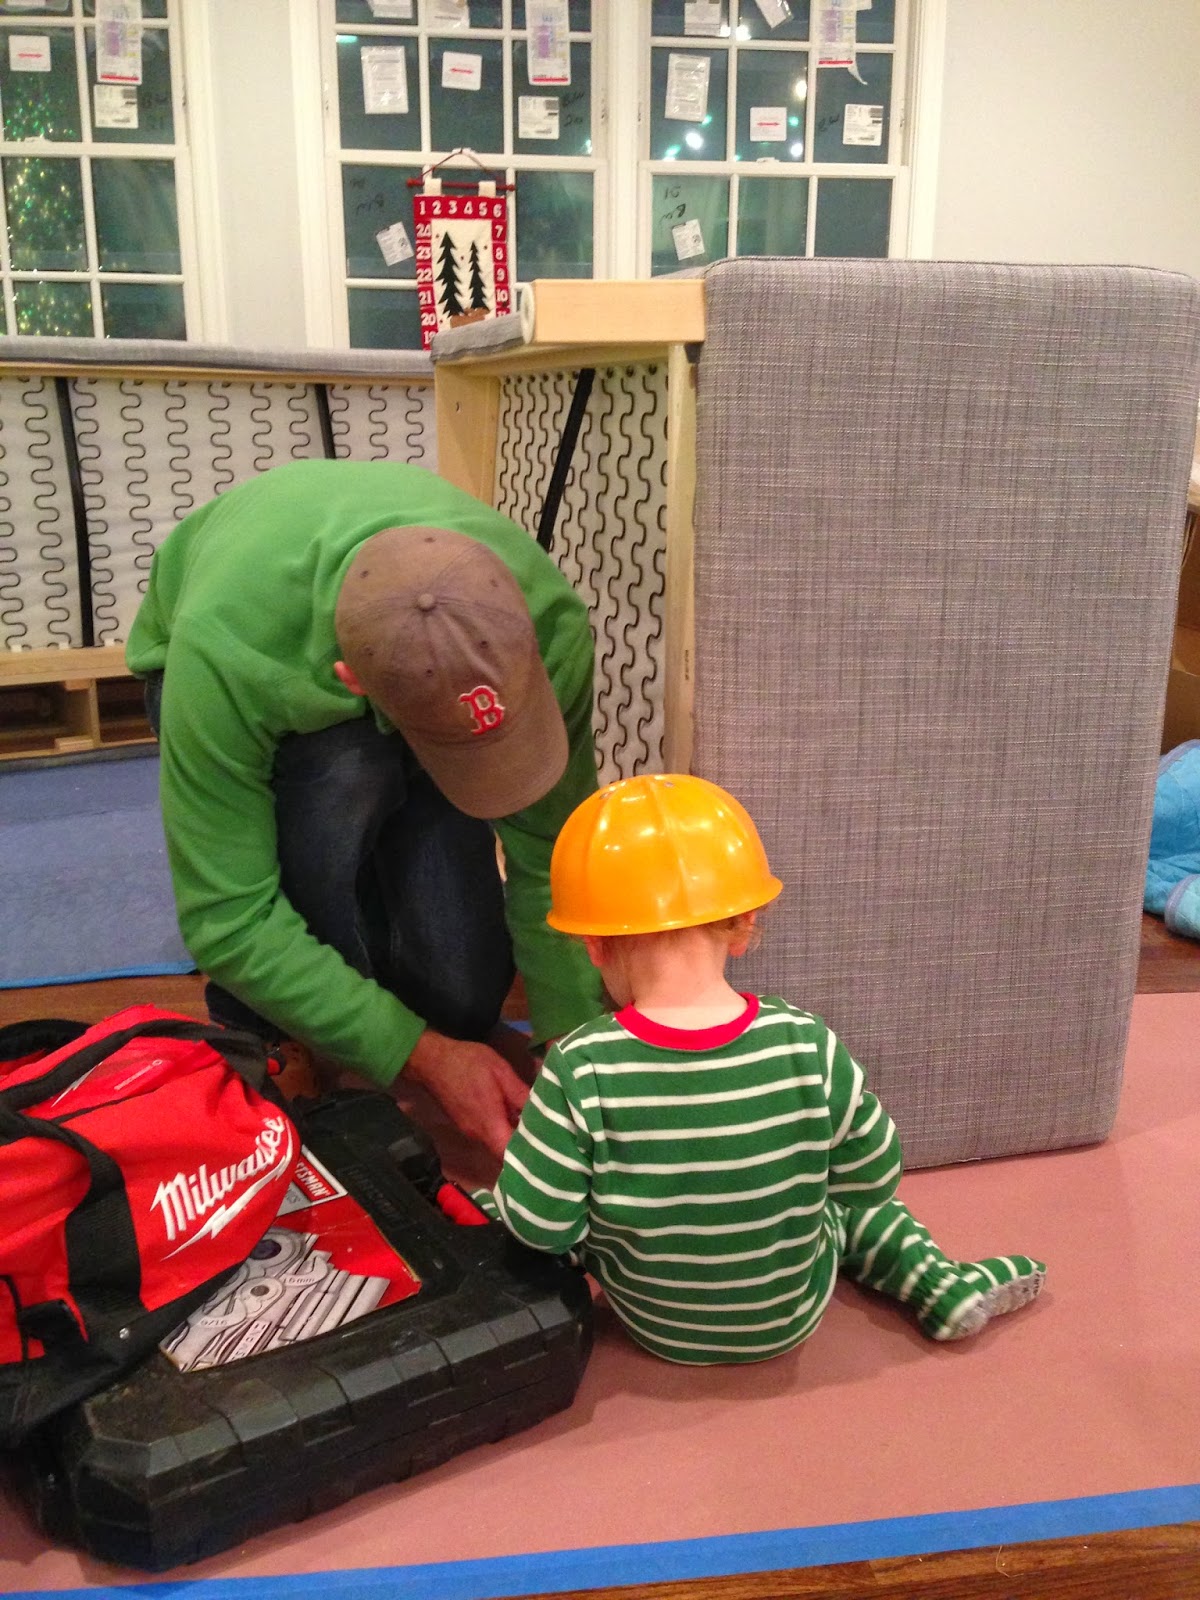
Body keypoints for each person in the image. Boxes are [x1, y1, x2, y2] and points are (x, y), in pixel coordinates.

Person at [126, 458, 605, 1159]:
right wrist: (421, 1056)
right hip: (263, 648)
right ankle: (262, 1027)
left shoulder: (550, 621)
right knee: (347, 773)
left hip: (351, 656)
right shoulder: (229, 655)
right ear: (354, 683)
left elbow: (555, 853)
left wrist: (571, 1049)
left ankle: (375, 998)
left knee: (464, 1003)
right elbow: (227, 920)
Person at [479, 773, 1045, 1364]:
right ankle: (938, 1283)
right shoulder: (808, 1044)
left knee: (559, 1209)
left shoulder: (578, 1066)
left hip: (658, 1328)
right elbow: (875, 1178)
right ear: (743, 927)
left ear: (593, 944)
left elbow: (540, 1226)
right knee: (859, 1214)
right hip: (793, 1315)